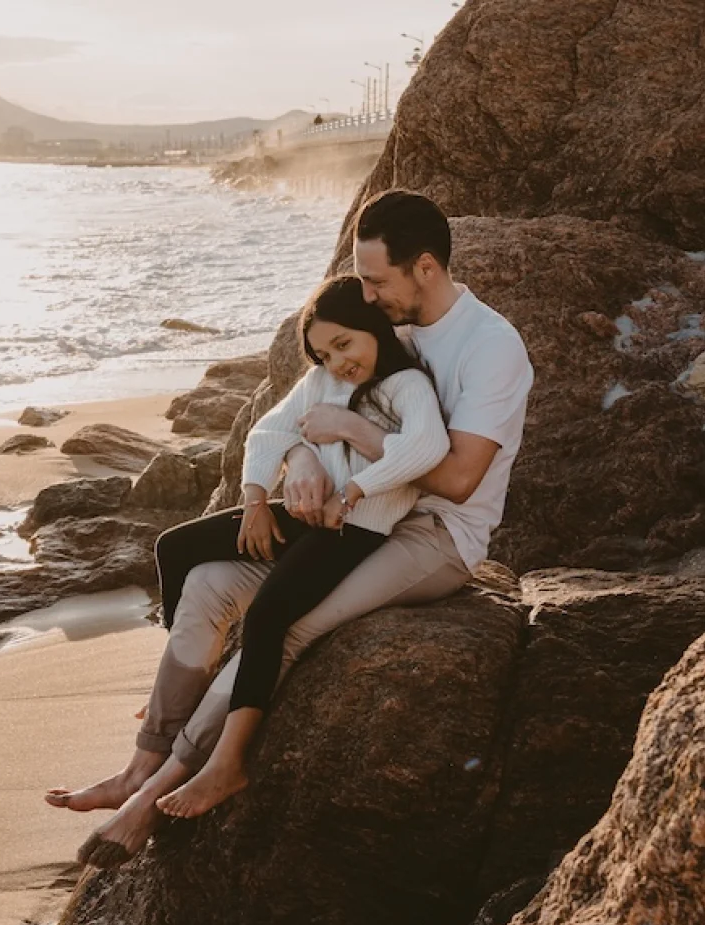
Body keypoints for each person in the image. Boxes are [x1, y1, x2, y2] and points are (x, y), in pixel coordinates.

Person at [48, 190, 533, 868]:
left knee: (290, 621)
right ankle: (142, 760)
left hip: (433, 535)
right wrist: (303, 453)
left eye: (375, 280)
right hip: (348, 517)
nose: (363, 293)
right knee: (209, 583)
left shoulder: (489, 346)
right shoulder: (379, 327)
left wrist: (350, 433)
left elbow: (457, 479)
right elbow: (299, 410)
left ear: (425, 267)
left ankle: (174, 784)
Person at [142, 274, 448, 818]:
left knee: (267, 617)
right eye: (324, 352)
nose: (337, 362)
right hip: (301, 516)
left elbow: (425, 450)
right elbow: (267, 432)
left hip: (355, 529)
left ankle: (228, 765)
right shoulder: (319, 382)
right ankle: (187, 692)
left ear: (373, 326)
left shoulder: (408, 386)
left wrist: (354, 488)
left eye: (344, 344)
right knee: (174, 548)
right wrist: (256, 501)